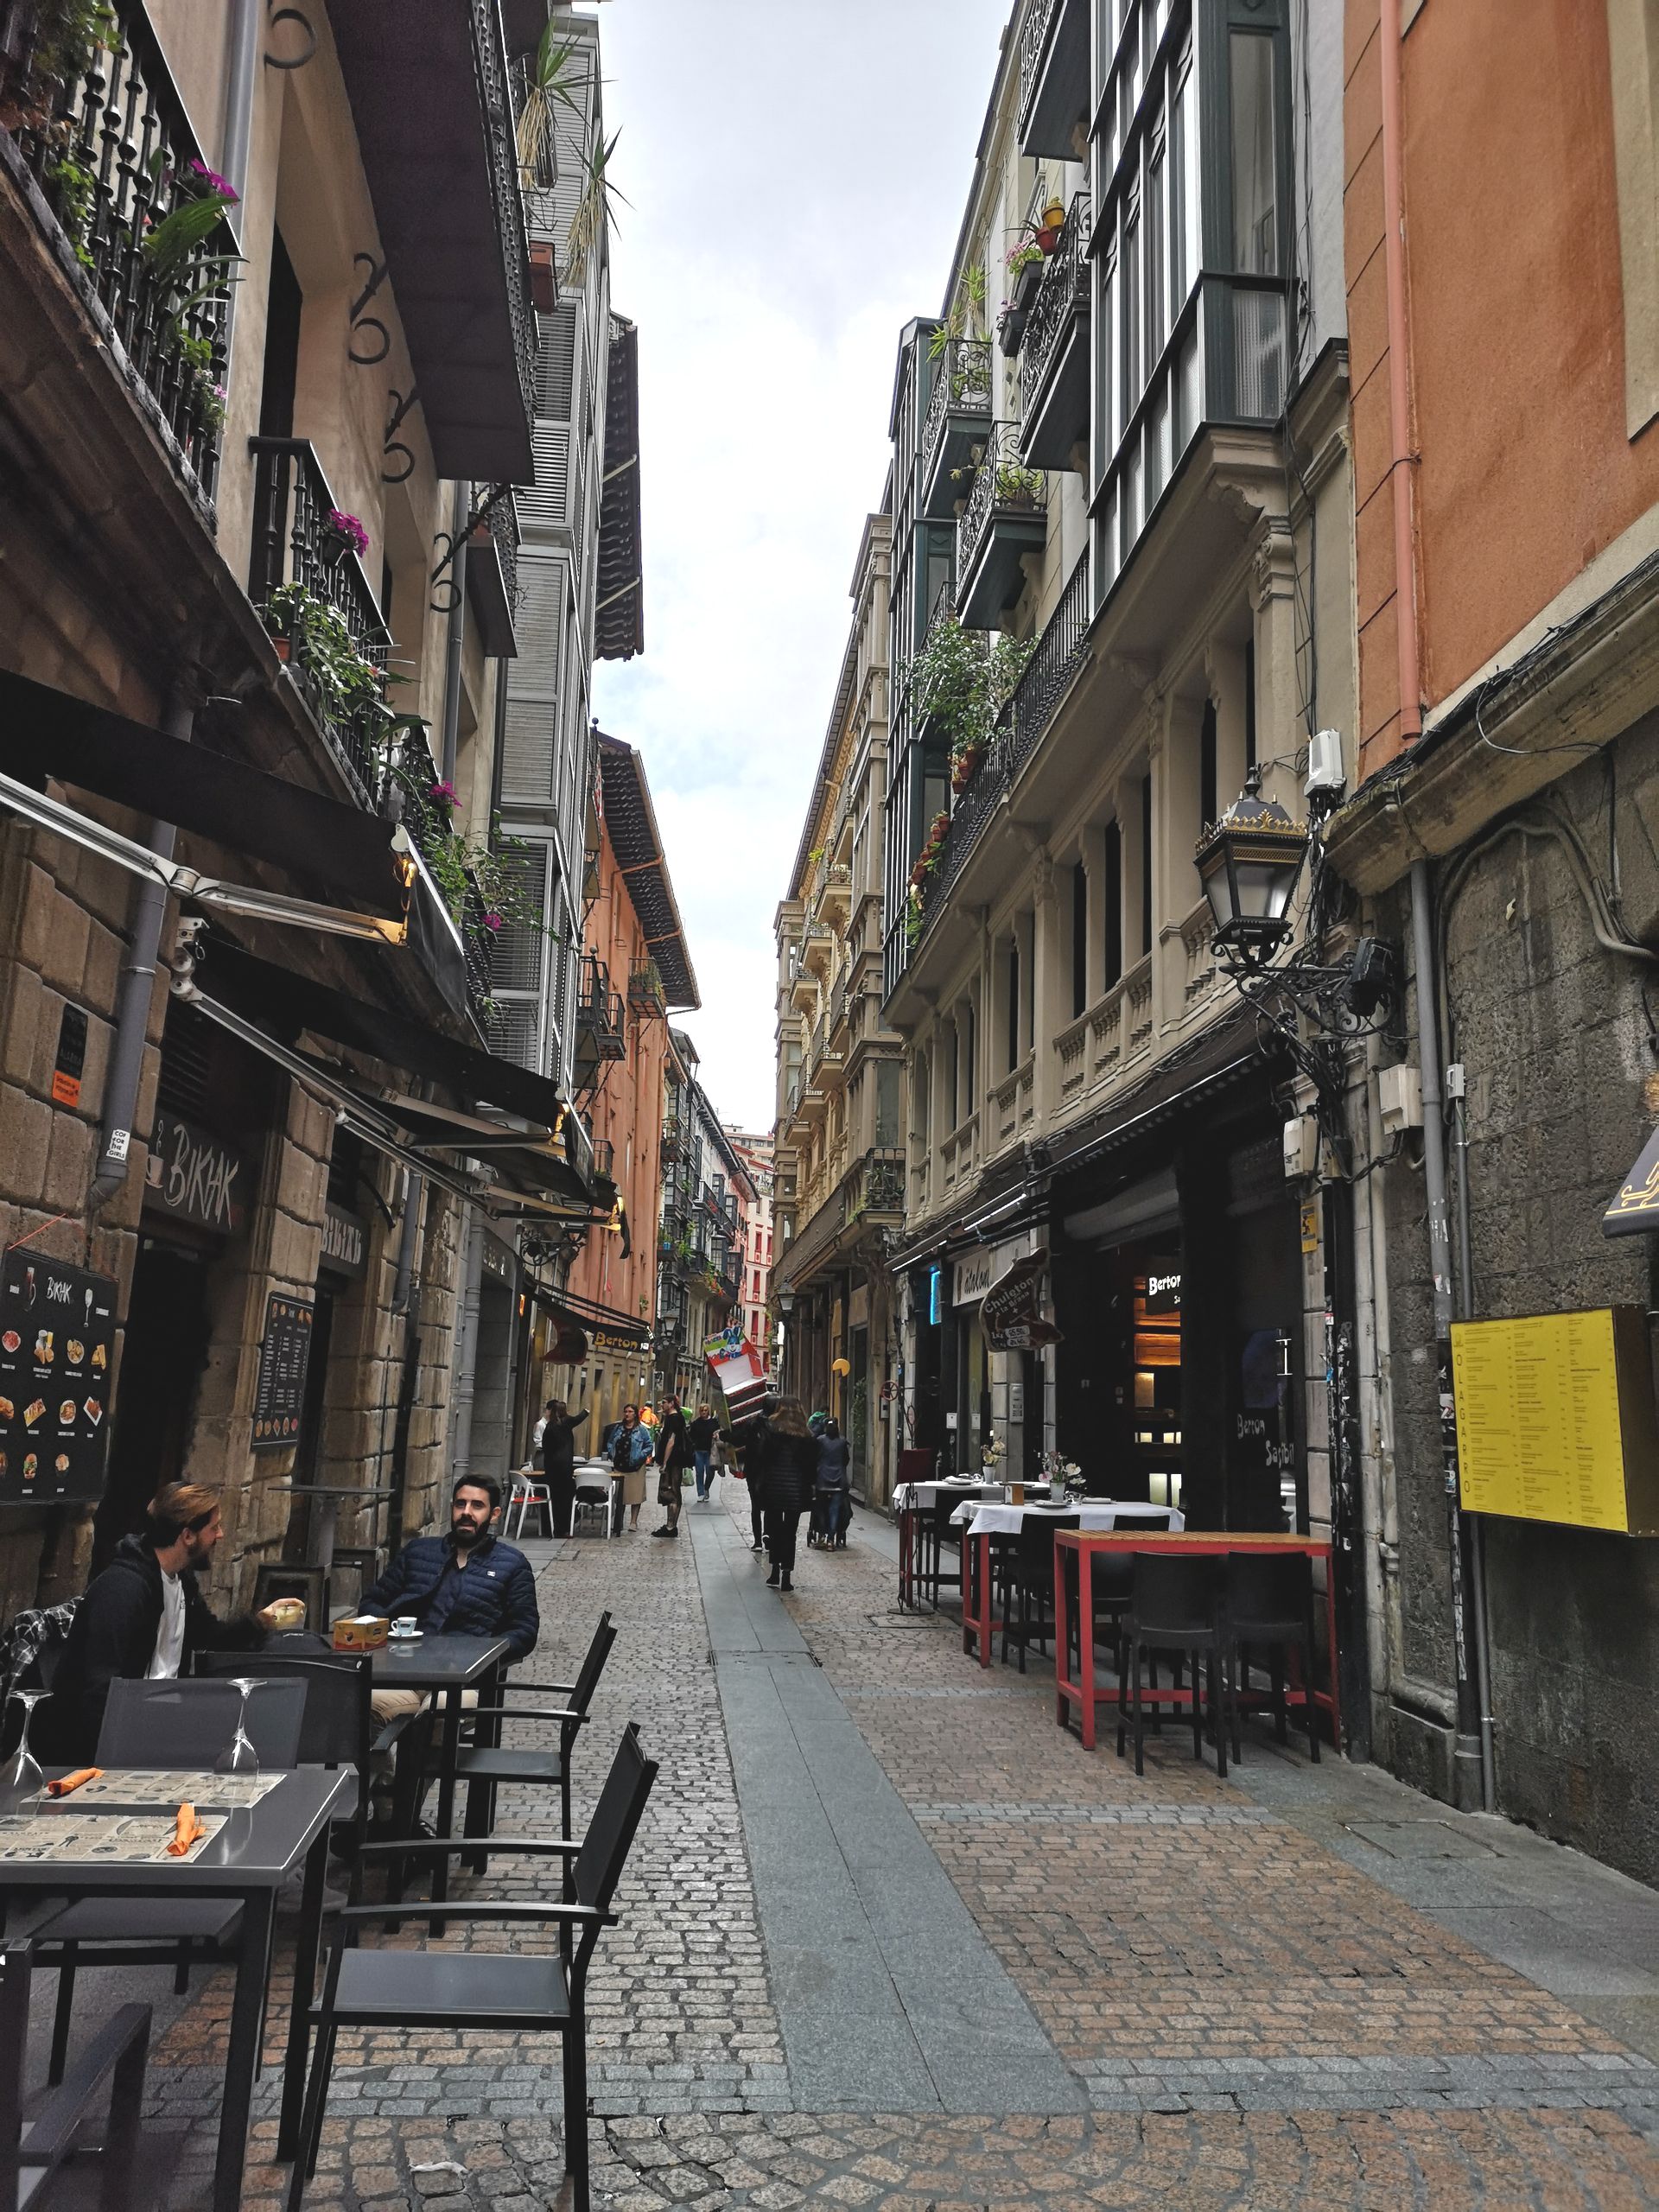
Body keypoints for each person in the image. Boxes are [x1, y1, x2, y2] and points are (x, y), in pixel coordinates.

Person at [42, 1483, 287, 1764]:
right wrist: (112, 1765)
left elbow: (208, 1634)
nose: (220, 1535)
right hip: (110, 1740)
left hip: (160, 1720)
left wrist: (260, 1621)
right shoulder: (123, 1590)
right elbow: (99, 1689)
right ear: (187, 1536)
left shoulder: (180, 1579)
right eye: (214, 1528)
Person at [359, 1473, 539, 1727]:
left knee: (439, 1714)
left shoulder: (512, 1564)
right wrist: (391, 1636)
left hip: (465, 1683)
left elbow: (525, 1630)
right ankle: (387, 1757)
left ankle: (423, 1753)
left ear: (494, 1514)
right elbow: (372, 1603)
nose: (466, 1512)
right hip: (405, 1676)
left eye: (477, 1506)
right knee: (363, 1705)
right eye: (460, 1504)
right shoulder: (418, 1552)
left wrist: (482, 1654)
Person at [761, 1396, 818, 1593]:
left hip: (775, 1489)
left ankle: (774, 1571)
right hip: (796, 1491)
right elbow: (812, 1467)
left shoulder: (771, 1431)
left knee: (775, 1530)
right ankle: (786, 1576)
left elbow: (764, 1459)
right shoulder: (807, 1436)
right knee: (790, 1533)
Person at [537, 1397, 589, 1538]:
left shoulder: (550, 1426)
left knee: (552, 1498)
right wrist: (586, 1411)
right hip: (564, 1469)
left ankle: (549, 1528)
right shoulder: (566, 1422)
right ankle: (562, 1528)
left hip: (551, 1468)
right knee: (565, 1499)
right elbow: (579, 1418)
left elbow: (546, 1447)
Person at [732, 1398, 773, 1553]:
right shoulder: (778, 1425)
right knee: (771, 1506)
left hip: (753, 1469)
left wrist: (724, 1434)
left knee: (755, 1506)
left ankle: (757, 1542)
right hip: (771, 1471)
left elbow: (737, 1439)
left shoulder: (752, 1423)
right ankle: (767, 1535)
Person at [604, 1402, 652, 1534]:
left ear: (635, 1414)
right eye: (626, 1411)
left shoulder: (641, 1430)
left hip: (635, 1467)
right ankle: (618, 1522)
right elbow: (610, 1442)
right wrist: (612, 1454)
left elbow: (649, 1445)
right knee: (620, 1496)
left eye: (630, 1412)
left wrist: (640, 1456)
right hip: (619, 1466)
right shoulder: (618, 1428)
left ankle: (633, 1522)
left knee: (636, 1496)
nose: (627, 1414)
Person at [813, 1417, 853, 1549]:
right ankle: (831, 1540)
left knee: (821, 1509)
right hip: (839, 1481)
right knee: (834, 1510)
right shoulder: (842, 1442)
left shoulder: (820, 1441)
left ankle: (822, 1535)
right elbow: (846, 1460)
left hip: (822, 1481)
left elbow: (816, 1458)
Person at [652, 1394, 689, 1537]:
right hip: (674, 1460)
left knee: (673, 1491)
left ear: (671, 1403)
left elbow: (671, 1441)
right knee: (670, 1491)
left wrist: (665, 1462)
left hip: (674, 1460)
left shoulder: (674, 1419)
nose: (662, 1405)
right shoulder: (672, 1417)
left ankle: (671, 1527)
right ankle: (670, 1525)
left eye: (664, 1403)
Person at [687, 1402, 718, 1499]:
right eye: (702, 1410)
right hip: (699, 1451)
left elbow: (718, 1432)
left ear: (708, 1411)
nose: (703, 1412)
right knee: (699, 1472)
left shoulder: (714, 1422)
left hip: (710, 1451)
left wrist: (716, 1435)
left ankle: (706, 1488)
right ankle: (700, 1493)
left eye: (705, 1410)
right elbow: (691, 1436)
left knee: (710, 1472)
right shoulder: (696, 1423)